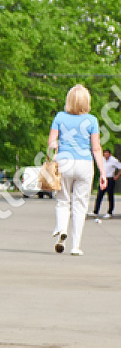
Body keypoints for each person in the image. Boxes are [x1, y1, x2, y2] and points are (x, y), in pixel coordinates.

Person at [49, 85, 106, 256]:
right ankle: (75, 246)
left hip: (64, 162)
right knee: (80, 206)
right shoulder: (92, 120)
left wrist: (57, 147)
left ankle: (61, 229)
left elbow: (51, 142)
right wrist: (102, 172)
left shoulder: (59, 117)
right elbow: (96, 148)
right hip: (84, 164)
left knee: (62, 200)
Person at [94, 148, 121, 222]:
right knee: (99, 195)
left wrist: (117, 176)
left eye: (107, 153)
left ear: (110, 154)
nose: (105, 155)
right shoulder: (102, 159)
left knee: (110, 196)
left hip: (110, 179)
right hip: (103, 178)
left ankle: (110, 212)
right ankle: (95, 211)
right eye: (104, 153)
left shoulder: (113, 160)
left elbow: (120, 167)